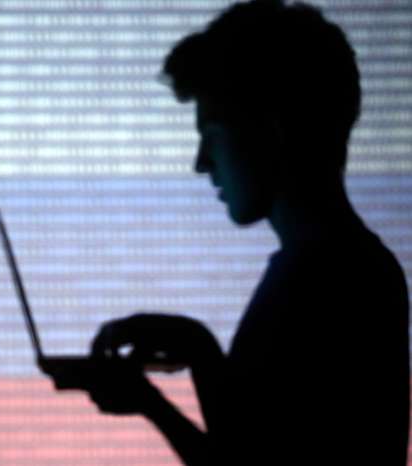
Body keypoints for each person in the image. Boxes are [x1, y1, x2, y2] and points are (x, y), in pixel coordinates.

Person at [83, 1, 409, 465]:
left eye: (211, 136)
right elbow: (248, 446)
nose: (202, 163)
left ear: (270, 131)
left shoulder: (321, 278)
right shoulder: (345, 267)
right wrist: (193, 353)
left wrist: (164, 387)